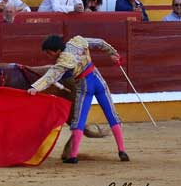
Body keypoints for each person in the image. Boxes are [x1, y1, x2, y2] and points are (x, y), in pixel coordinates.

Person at [27, 34, 128, 164]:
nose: (48, 55)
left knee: (79, 120)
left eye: (48, 52)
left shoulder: (63, 61)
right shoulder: (77, 42)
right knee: (112, 115)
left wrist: (35, 87)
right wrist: (113, 54)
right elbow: (100, 42)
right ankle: (122, 151)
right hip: (98, 80)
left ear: (57, 50)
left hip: (84, 86)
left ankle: (73, 155)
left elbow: (50, 76)